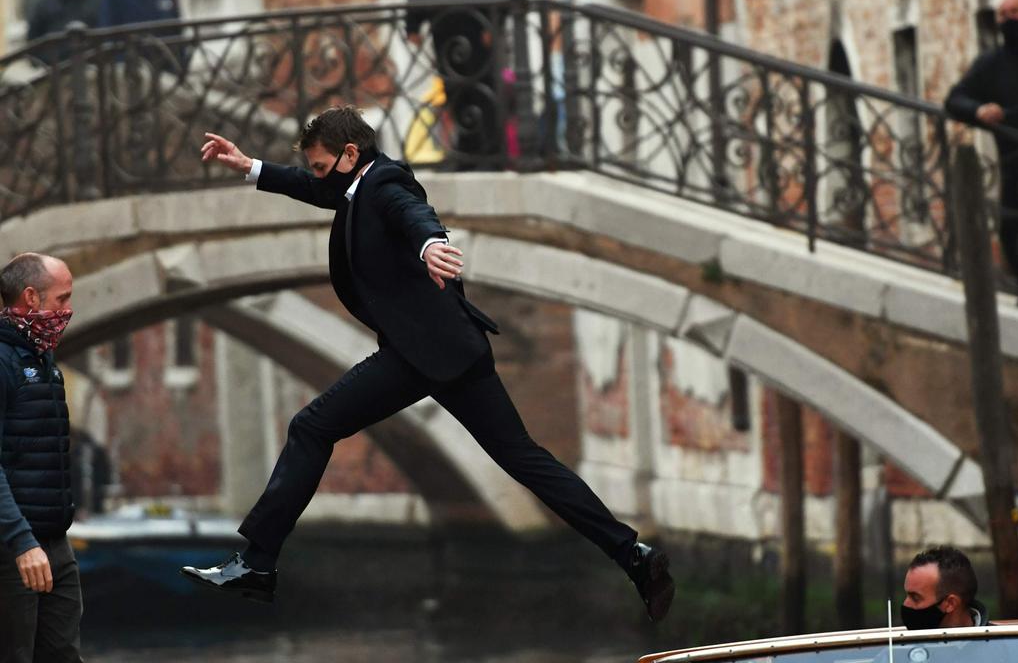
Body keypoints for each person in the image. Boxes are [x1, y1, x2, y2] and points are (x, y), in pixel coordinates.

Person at [186, 107, 676, 622]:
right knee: (525, 459)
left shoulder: (386, 184)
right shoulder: (352, 185)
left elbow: (412, 213)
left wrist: (430, 244)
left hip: (419, 354)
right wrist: (250, 166)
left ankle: (257, 565)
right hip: (451, 348)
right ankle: (634, 556)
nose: (316, 176)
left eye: (320, 164)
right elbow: (319, 190)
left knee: (311, 426)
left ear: (350, 155)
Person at [0, 253, 83, 663]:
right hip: (14, 550)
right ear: (31, 297)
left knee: (63, 653)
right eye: (61, 299)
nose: (67, 312)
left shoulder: (44, 362)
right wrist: (20, 542)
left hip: (54, 544)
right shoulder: (2, 362)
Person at [946, 0, 1018, 307]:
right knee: (1012, 230)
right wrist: (979, 111)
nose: (1008, 19)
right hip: (1016, 159)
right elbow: (955, 100)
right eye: (1002, 15)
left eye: (1014, 12)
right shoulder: (993, 63)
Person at [405, 0, 515, 168]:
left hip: (477, 21)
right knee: (453, 88)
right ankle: (466, 150)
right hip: (442, 20)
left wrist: (494, 21)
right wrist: (413, 23)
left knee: (482, 86)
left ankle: (491, 153)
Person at [900, 545, 988, 629]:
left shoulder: (995, 642)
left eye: (915, 598)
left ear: (950, 603)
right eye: (907, 595)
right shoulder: (897, 641)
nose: (906, 604)